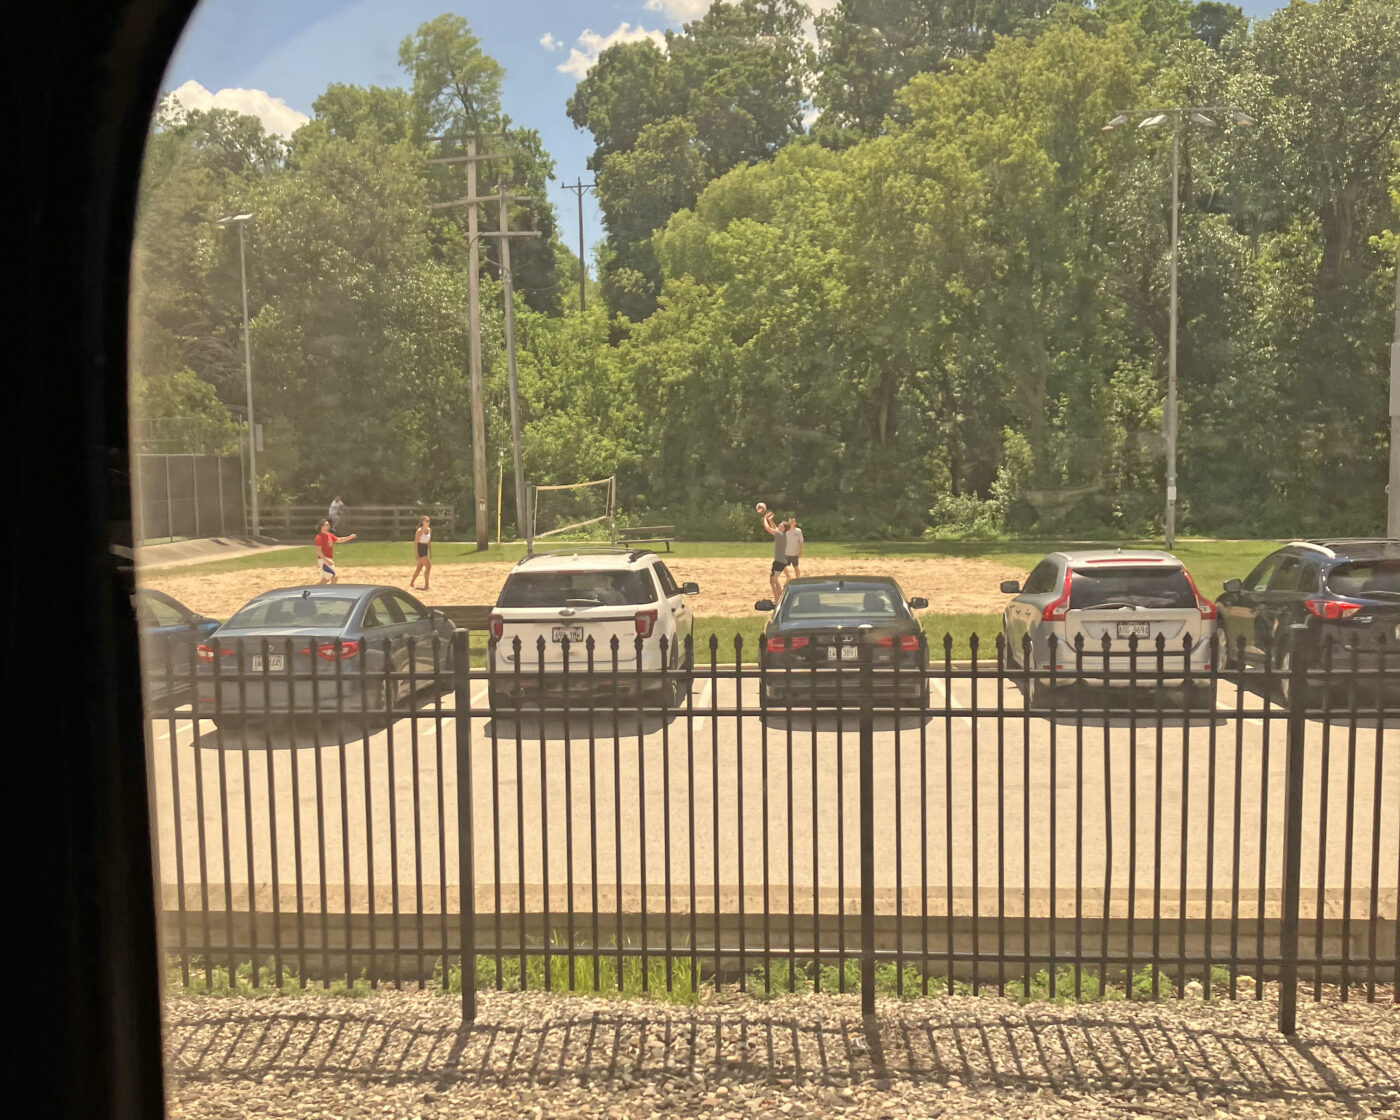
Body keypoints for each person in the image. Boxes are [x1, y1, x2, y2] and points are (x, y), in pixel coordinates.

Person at [314, 518, 356, 584]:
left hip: (327, 560)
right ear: (322, 527)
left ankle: (313, 590)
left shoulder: (329, 535)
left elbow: (339, 540)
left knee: (325, 579)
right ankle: (331, 592)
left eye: (329, 525)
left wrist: (349, 537)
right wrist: (326, 560)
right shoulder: (319, 537)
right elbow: (319, 551)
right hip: (324, 561)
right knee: (334, 577)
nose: (329, 526)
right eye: (327, 525)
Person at [762, 508, 788, 603]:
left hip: (779, 561)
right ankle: (780, 599)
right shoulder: (782, 534)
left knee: (772, 581)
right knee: (775, 580)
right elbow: (774, 528)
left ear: (784, 529)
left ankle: (778, 601)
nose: (779, 525)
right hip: (782, 561)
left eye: (781, 525)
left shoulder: (780, 534)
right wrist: (770, 520)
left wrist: (764, 519)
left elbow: (768, 528)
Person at [409, 515, 432, 591]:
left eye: (429, 521)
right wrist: (416, 554)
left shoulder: (429, 530)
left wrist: (430, 552)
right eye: (427, 521)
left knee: (419, 568)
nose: (428, 522)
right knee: (428, 566)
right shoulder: (419, 531)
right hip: (420, 549)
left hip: (425, 549)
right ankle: (426, 585)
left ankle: (412, 582)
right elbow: (416, 543)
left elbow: (428, 542)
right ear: (423, 522)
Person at [784, 514, 803, 578]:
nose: (791, 523)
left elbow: (801, 541)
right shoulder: (785, 530)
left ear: (795, 523)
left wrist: (800, 551)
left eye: (793, 522)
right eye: (790, 521)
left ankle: (798, 579)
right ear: (788, 522)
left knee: (796, 567)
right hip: (786, 553)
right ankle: (788, 577)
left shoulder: (798, 531)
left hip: (794, 553)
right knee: (782, 566)